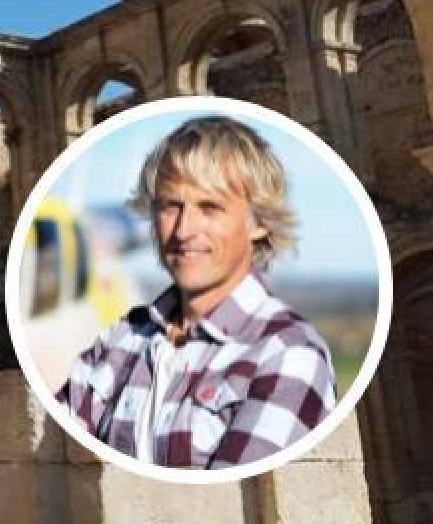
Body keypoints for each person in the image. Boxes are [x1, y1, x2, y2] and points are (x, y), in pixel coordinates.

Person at [56, 115, 336, 469]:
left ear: (259, 223)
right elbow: (56, 458)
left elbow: (227, 502)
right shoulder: (121, 337)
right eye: (170, 206)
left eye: (210, 207)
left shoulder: (288, 353)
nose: (184, 230)